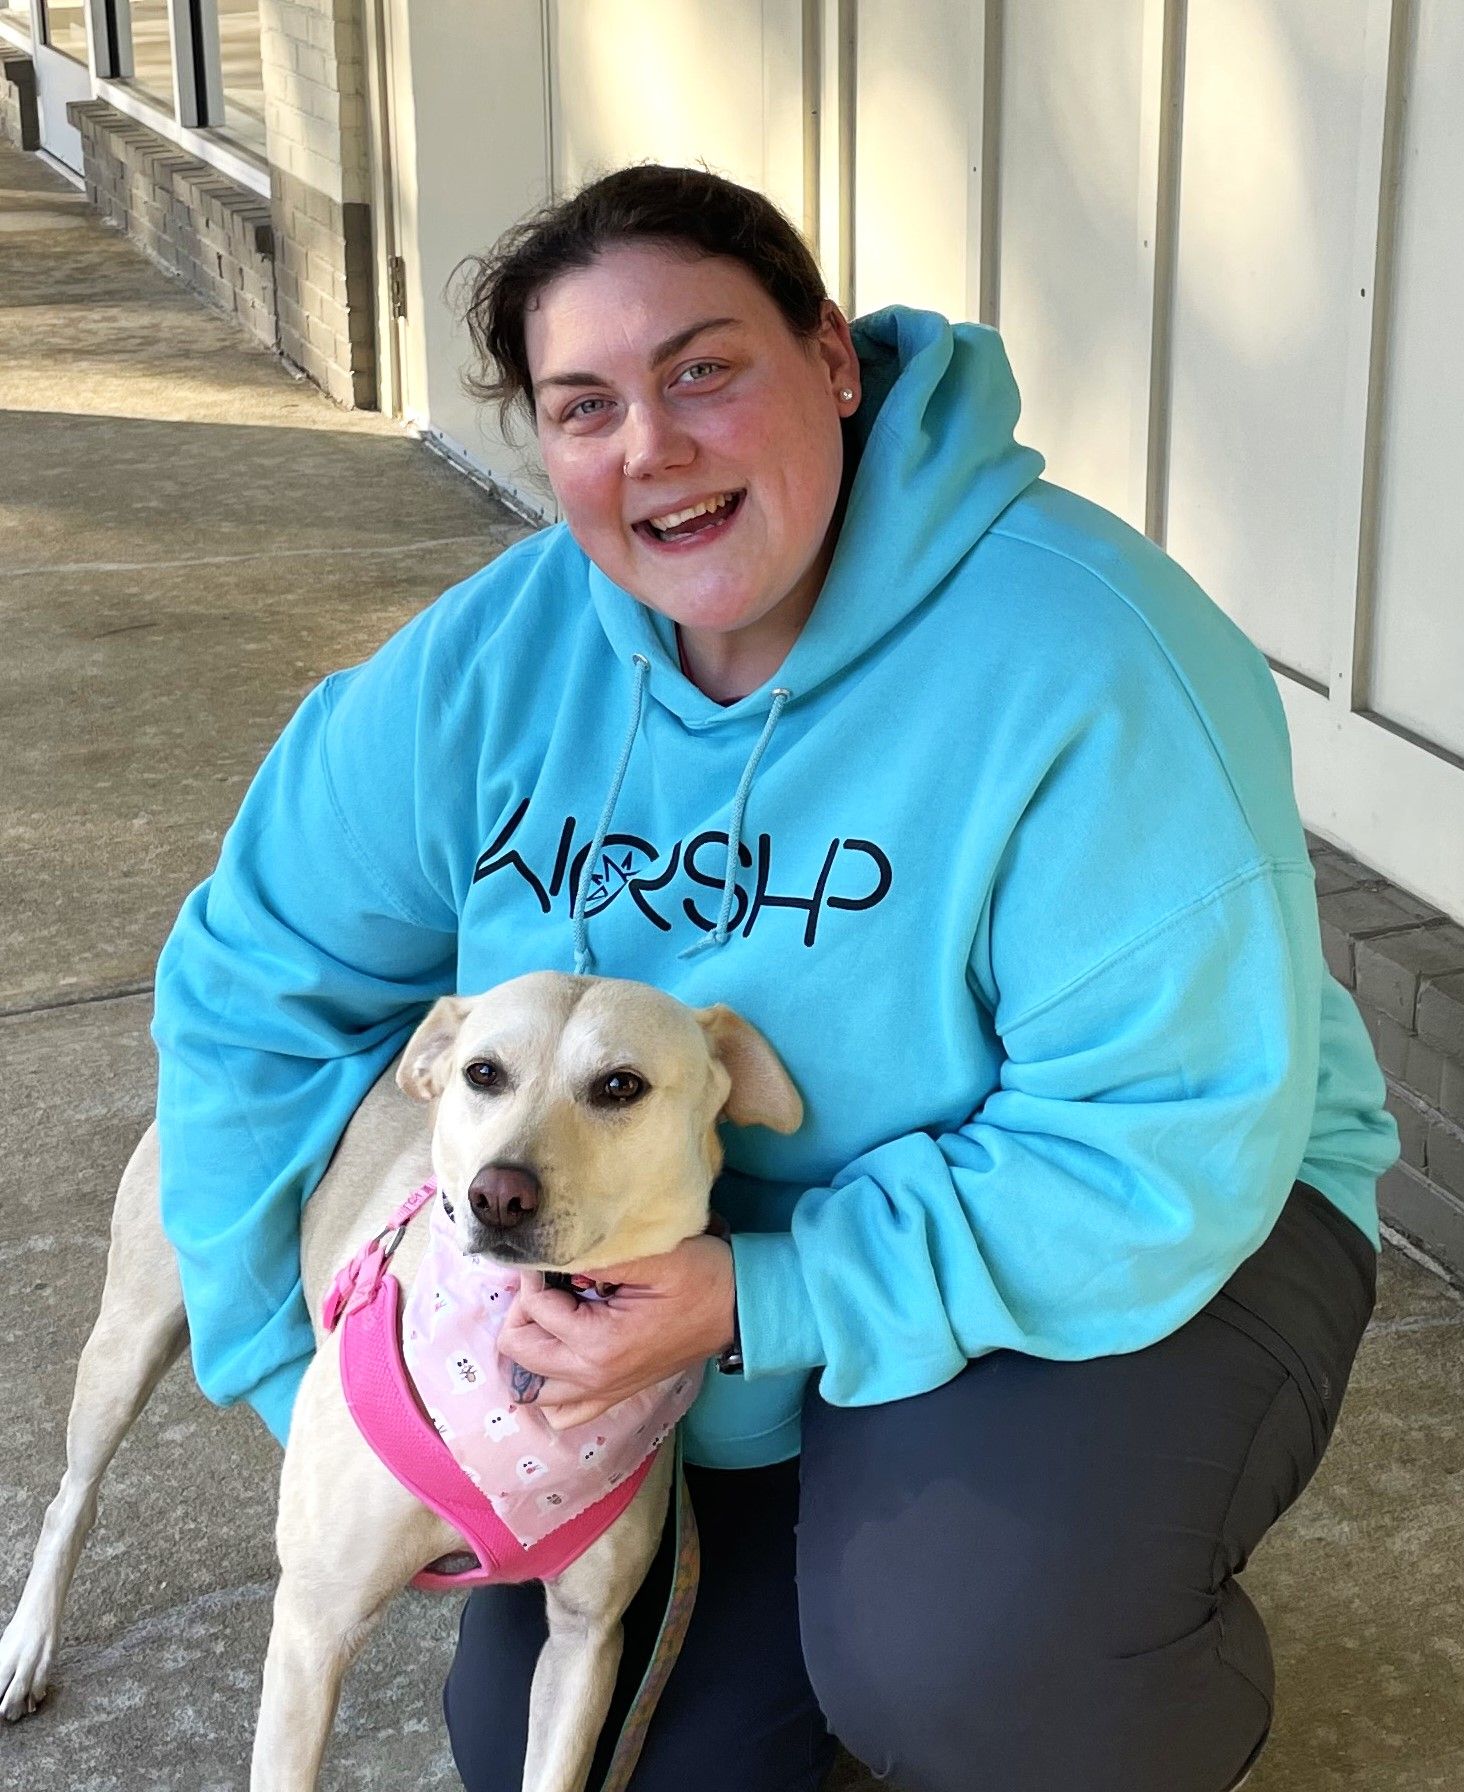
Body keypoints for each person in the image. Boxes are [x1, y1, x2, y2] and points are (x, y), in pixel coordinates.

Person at [151, 163, 1400, 1792]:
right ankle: (849, 1571)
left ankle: (1090, 1672)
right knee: (575, 1759)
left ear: (832, 360)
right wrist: (299, 1366)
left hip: (1145, 1231)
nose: (650, 449)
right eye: (583, 404)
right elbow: (257, 973)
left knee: (970, 1662)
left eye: (703, 371)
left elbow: (1162, 1140)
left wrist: (764, 1301)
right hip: (663, 1293)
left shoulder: (1087, 654)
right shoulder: (490, 659)